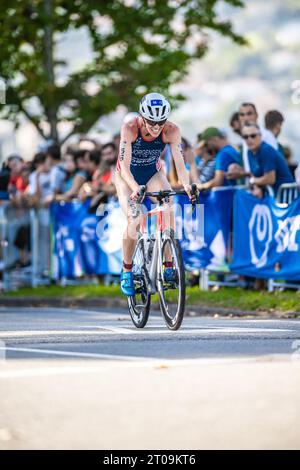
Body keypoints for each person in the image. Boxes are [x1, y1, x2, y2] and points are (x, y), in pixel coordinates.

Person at [115, 92, 195, 296]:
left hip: (153, 173)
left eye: (161, 121)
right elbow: (123, 166)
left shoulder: (171, 130)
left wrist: (187, 186)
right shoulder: (130, 128)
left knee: (168, 208)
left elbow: (180, 164)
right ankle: (127, 271)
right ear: (142, 117)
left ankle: (168, 265)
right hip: (127, 177)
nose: (156, 126)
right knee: (135, 218)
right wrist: (134, 187)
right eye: (151, 121)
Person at [227, 122, 294, 196]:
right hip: (270, 198)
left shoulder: (266, 150)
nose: (249, 139)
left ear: (260, 136)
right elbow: (256, 175)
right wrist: (242, 173)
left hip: (286, 198)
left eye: (253, 136)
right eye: (245, 137)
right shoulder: (250, 152)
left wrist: (253, 181)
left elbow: (270, 179)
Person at [238, 103, 278, 180]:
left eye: (249, 114)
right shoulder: (245, 136)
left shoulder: (266, 136)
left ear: (256, 115)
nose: (246, 118)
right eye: (242, 115)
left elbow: (271, 166)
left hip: (268, 188)